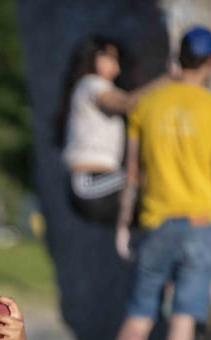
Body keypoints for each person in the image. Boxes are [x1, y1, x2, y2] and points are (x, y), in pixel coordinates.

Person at [100, 26, 211, 340]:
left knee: (139, 314)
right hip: (200, 226)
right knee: (183, 316)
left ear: (178, 57)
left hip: (155, 223)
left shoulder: (148, 105)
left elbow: (131, 172)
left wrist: (124, 225)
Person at [56, 36, 168, 224]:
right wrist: (170, 79)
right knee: (149, 181)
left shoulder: (85, 88)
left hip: (100, 184)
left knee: (152, 208)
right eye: (111, 58)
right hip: (88, 183)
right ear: (94, 58)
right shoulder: (92, 84)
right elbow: (126, 103)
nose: (116, 67)